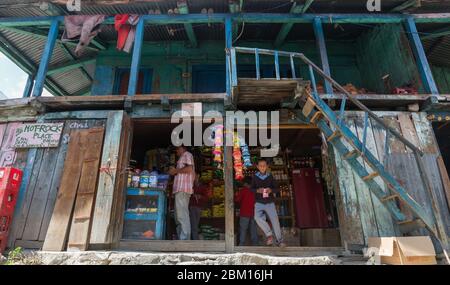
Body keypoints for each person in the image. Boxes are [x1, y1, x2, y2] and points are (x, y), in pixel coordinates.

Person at [251, 158, 285, 247]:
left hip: (269, 202)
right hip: (258, 202)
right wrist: (258, 190)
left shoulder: (270, 176)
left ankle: (279, 241)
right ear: (257, 167)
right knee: (257, 218)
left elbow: (277, 188)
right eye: (260, 166)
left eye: (264, 166)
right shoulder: (255, 177)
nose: (262, 167)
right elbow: (251, 189)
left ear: (267, 166)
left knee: (275, 221)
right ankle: (269, 235)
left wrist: (271, 190)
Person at [169, 146, 195, 240]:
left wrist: (176, 170)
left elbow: (189, 169)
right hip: (180, 190)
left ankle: (184, 239)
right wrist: (175, 172)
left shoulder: (187, 154)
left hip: (183, 189)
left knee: (182, 215)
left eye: (177, 149)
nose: (176, 151)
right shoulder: (182, 157)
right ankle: (182, 238)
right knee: (178, 216)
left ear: (182, 148)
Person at [235, 177, 258, 246]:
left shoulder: (243, 190)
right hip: (254, 212)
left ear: (245, 183)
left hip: (244, 213)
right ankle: (255, 244)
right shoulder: (255, 190)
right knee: (253, 229)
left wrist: (235, 195)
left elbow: (237, 200)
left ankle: (242, 244)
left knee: (243, 229)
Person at [189, 174, 210, 240]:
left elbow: (206, 197)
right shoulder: (190, 185)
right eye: (194, 176)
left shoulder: (202, 187)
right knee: (194, 225)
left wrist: (200, 196)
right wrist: (193, 195)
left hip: (199, 207)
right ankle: (195, 240)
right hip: (192, 207)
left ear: (198, 176)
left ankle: (194, 239)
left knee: (195, 224)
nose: (195, 178)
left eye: (196, 176)